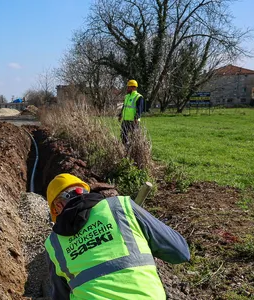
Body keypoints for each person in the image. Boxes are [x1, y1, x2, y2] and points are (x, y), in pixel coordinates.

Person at [43, 173, 190, 299]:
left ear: (58, 207)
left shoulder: (54, 243)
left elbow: (61, 296)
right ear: (83, 191)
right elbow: (181, 252)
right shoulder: (120, 207)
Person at [118, 80, 145, 147]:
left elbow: (140, 109)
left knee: (135, 136)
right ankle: (125, 148)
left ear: (133, 87)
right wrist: (120, 115)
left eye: (128, 87)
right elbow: (124, 106)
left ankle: (135, 149)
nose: (127, 88)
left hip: (133, 121)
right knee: (123, 135)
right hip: (125, 120)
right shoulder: (127, 96)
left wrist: (136, 118)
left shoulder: (139, 97)